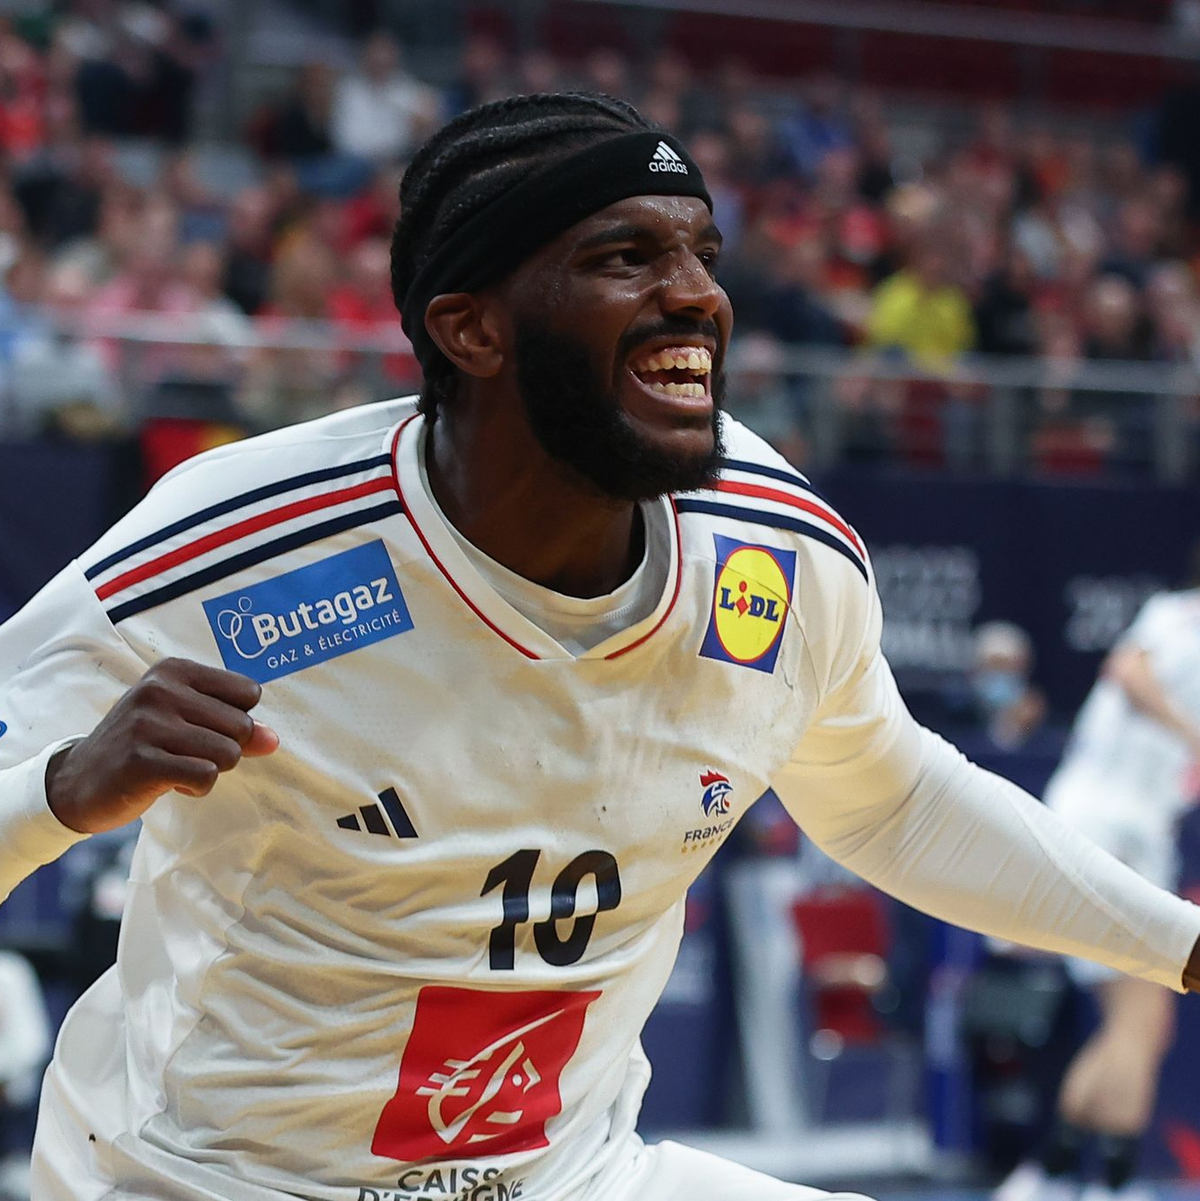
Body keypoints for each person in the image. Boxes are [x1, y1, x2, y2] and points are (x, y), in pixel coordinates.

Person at [2, 92, 1200, 1201]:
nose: (696, 296)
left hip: (566, 1174)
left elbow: (890, 806)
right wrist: (61, 794)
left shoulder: (776, 551)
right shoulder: (244, 547)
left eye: (703, 255)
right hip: (210, 1179)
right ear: (470, 330)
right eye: (626, 258)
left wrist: (1183, 947)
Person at [995, 572, 1200, 1201]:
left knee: (1130, 1022)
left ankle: (1049, 1177)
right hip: (1107, 825)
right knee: (1145, 1016)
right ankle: (1111, 1184)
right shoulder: (1179, 614)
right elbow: (1130, 672)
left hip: (1134, 832)